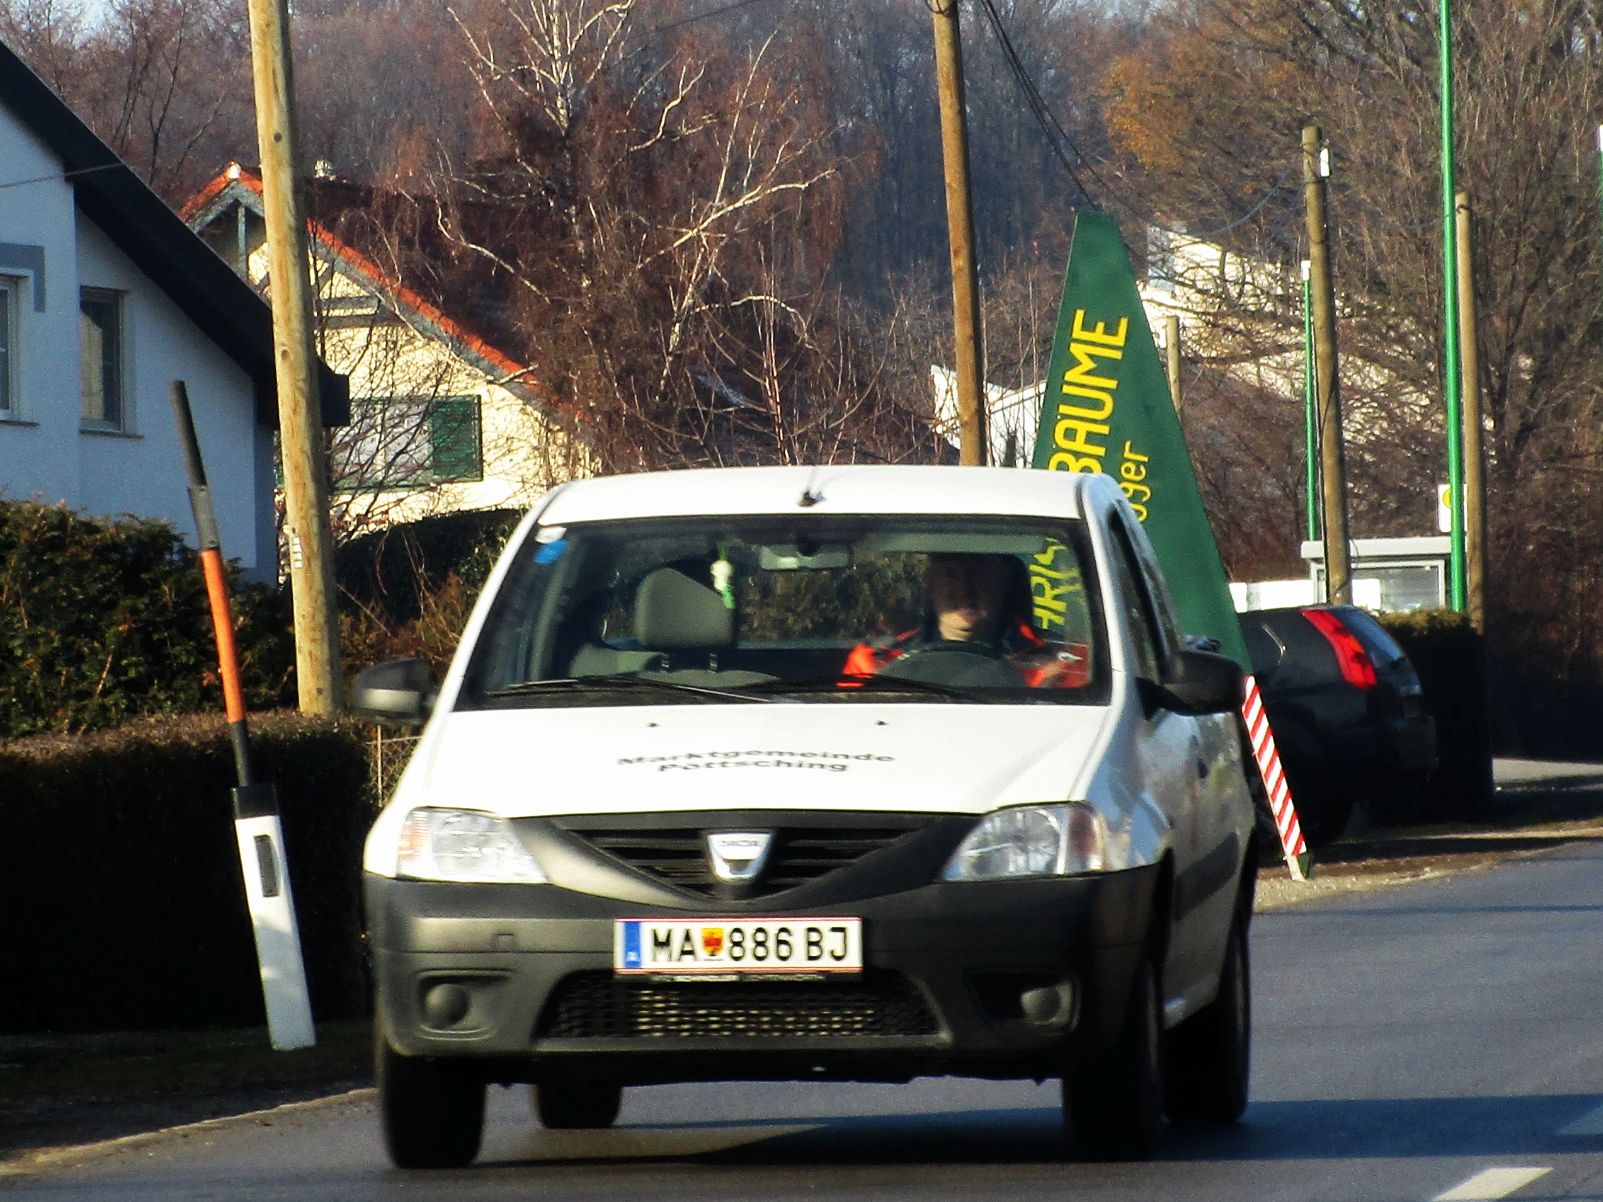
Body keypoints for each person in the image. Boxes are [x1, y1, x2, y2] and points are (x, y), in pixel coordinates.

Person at [841, 553, 1089, 686]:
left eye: (978, 576)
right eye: (950, 576)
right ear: (930, 583)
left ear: (1002, 583)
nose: (964, 591)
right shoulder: (873, 663)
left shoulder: (1065, 662)